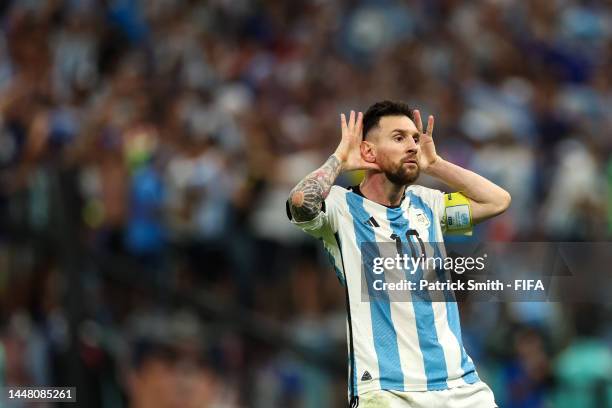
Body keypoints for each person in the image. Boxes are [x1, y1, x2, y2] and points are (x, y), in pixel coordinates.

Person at [286, 101, 510, 407]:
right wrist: (339, 159)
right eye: (399, 138)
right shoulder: (340, 208)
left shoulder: (429, 205)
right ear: (368, 151)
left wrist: (436, 165)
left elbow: (497, 201)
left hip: (460, 386)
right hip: (388, 391)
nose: (412, 146)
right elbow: (301, 202)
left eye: (415, 138)